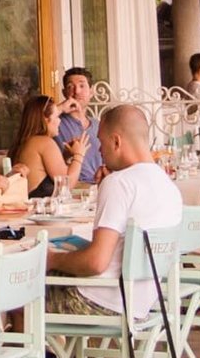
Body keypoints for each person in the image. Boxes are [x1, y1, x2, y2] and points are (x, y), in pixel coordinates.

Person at [46, 106, 183, 321]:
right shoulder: (168, 184)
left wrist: (51, 260)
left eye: (101, 142)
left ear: (116, 141)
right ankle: (63, 355)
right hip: (143, 301)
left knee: (21, 290)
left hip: (104, 300)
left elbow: (96, 262)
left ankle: (41, 354)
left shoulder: (119, 183)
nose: (99, 151)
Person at [12, 94, 84, 199]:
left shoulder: (27, 141)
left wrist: (66, 156)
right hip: (40, 212)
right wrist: (79, 155)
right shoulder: (44, 142)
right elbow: (66, 186)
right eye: (56, 116)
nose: (59, 121)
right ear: (46, 119)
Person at [55, 67, 103, 183]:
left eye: (82, 86)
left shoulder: (99, 125)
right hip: (73, 188)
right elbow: (34, 123)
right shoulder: (55, 123)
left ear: (91, 92)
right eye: (70, 87)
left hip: (99, 187)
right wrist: (60, 108)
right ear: (64, 93)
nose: (76, 91)